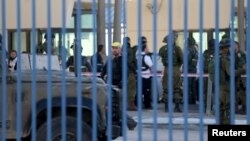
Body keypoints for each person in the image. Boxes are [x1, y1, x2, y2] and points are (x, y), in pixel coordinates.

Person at [208, 38, 246, 124]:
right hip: (226, 89)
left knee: (220, 111)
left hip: (219, 87)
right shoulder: (225, 59)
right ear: (225, 48)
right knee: (228, 112)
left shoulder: (215, 57)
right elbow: (231, 73)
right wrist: (243, 70)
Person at [158, 32, 183, 112]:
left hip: (167, 69)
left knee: (166, 88)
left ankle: (166, 108)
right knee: (176, 88)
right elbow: (182, 59)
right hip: (175, 69)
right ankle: (177, 107)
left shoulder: (162, 49)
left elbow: (161, 56)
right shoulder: (177, 48)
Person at [136, 43, 153, 109]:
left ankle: (138, 104)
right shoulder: (146, 57)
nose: (148, 49)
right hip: (146, 77)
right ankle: (147, 105)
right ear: (145, 49)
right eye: (147, 48)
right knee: (147, 92)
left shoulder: (137, 56)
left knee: (139, 91)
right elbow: (151, 66)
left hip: (139, 76)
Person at [123, 37, 137, 110]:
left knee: (127, 88)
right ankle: (131, 105)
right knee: (132, 88)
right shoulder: (129, 50)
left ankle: (127, 104)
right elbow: (130, 61)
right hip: (130, 72)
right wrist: (135, 70)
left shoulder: (122, 50)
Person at [234, 41, 246, 114]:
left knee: (242, 94)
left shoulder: (241, 54)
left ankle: (245, 108)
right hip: (234, 77)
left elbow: (243, 65)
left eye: (235, 46)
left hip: (241, 78)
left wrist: (239, 56)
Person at [187, 37, 198, 104]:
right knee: (193, 85)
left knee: (188, 85)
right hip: (193, 69)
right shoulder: (195, 49)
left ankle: (189, 100)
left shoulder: (189, 49)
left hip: (189, 69)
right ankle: (193, 99)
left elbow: (186, 60)